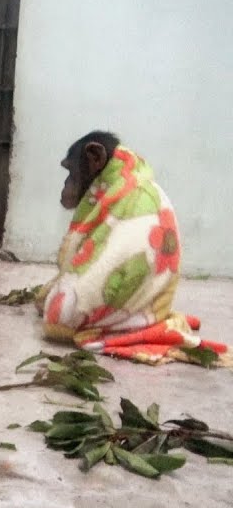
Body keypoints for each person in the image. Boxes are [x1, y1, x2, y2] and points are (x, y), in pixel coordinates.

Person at [35, 132, 227, 366]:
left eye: (72, 173)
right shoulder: (128, 188)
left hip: (128, 298)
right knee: (50, 297)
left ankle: (128, 319)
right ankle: (137, 317)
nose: (67, 184)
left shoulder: (132, 194)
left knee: (59, 314)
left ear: (95, 158)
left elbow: (71, 305)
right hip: (145, 300)